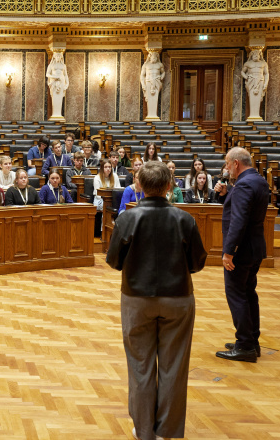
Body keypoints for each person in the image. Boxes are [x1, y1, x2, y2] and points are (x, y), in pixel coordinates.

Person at [105, 161, 207, 440]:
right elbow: (197, 263)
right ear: (169, 186)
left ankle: (144, 430)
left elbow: (114, 262)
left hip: (137, 299)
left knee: (140, 364)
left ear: (139, 185)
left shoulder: (127, 218)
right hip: (178, 299)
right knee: (174, 366)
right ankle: (167, 430)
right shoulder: (185, 219)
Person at [213, 147, 269, 363]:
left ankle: (245, 344)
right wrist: (227, 194)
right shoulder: (258, 180)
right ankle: (251, 341)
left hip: (241, 251)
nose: (227, 168)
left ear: (236, 163)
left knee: (236, 294)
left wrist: (228, 252)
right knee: (248, 293)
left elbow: (239, 221)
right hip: (254, 248)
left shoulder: (244, 184)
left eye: (227, 164)